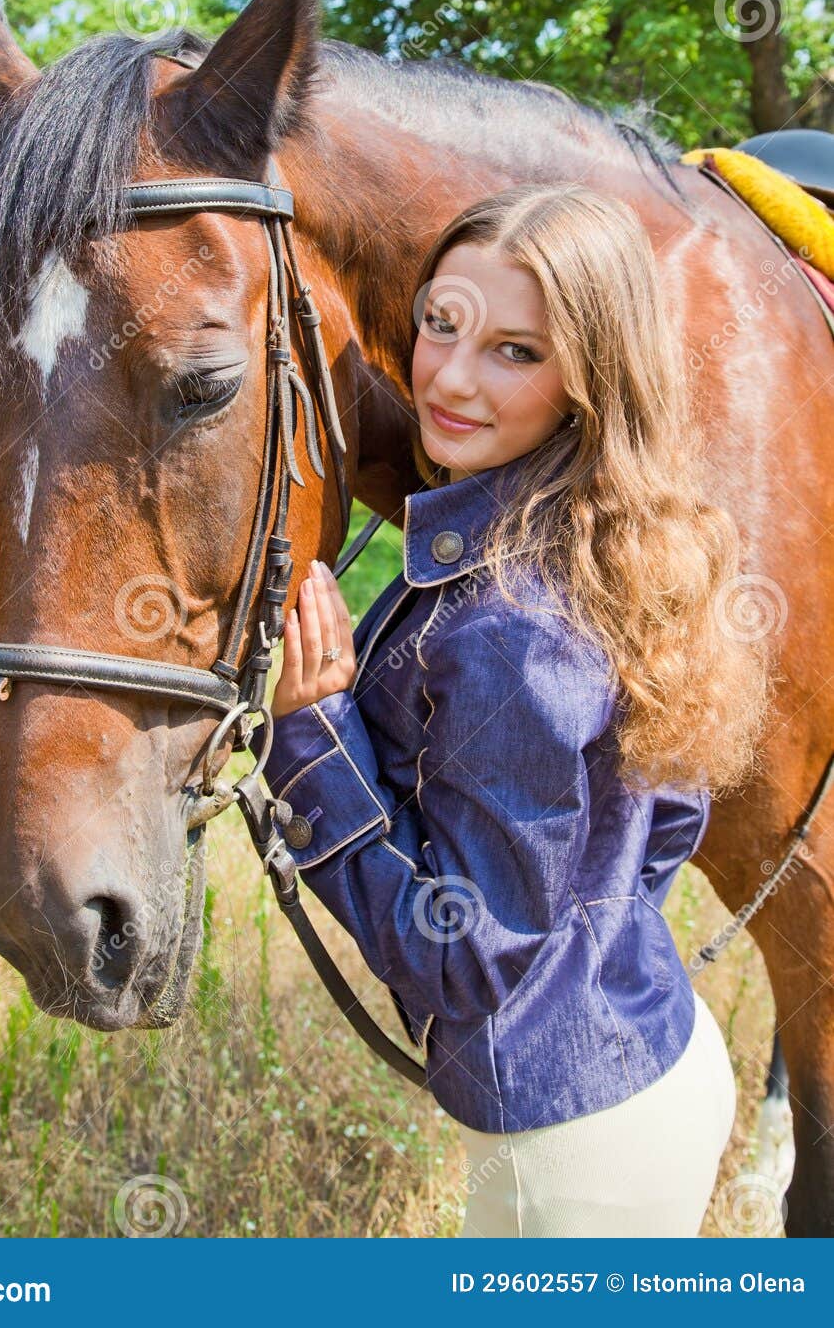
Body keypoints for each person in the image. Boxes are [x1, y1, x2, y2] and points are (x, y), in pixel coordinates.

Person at [251, 182, 771, 1238]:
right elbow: (663, 822)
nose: (448, 376)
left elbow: (467, 952)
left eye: (513, 351)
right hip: (653, 1062)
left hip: (574, 1159)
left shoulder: (509, 627)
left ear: (587, 376)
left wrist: (312, 738)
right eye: (441, 324)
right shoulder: (606, 538)